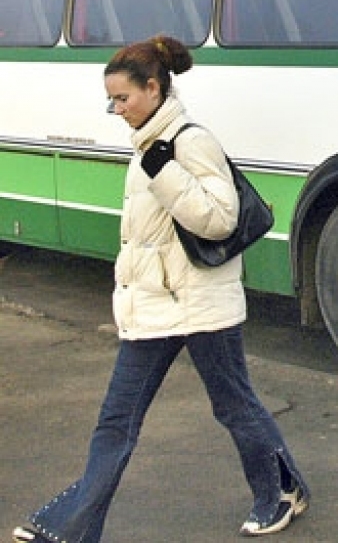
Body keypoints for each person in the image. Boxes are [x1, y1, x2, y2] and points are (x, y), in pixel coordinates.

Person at [12, 36, 309, 542]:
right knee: (116, 422)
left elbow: (220, 220)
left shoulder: (189, 141)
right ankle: (74, 528)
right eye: (112, 100)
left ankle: (280, 492)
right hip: (153, 307)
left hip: (201, 307)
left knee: (234, 405)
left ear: (154, 88)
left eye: (123, 98)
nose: (116, 109)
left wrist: (164, 172)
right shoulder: (147, 141)